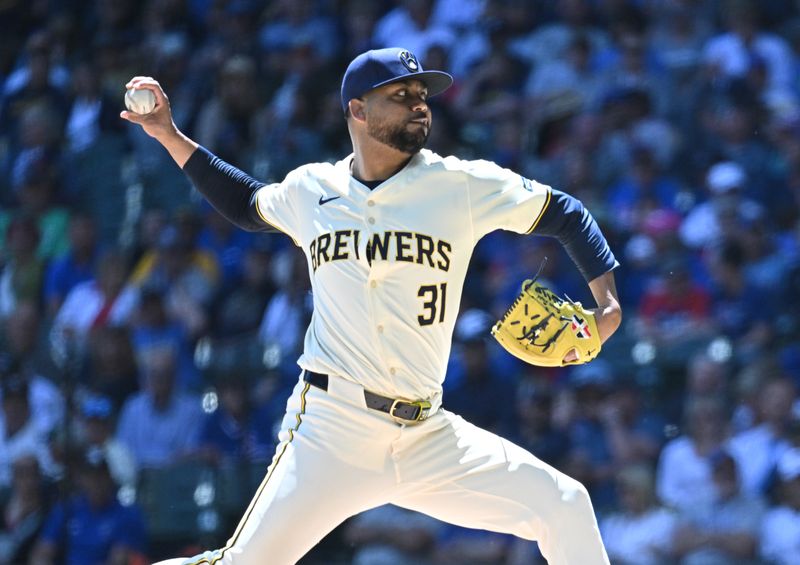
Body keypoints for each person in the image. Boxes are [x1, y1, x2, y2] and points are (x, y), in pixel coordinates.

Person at [122, 46, 621, 565]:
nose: (419, 105)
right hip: (332, 430)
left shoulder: (458, 185)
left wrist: (607, 302)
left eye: (422, 95)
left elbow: (565, 212)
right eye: (401, 95)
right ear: (358, 111)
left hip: (427, 433)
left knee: (564, 504)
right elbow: (247, 205)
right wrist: (167, 134)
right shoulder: (313, 188)